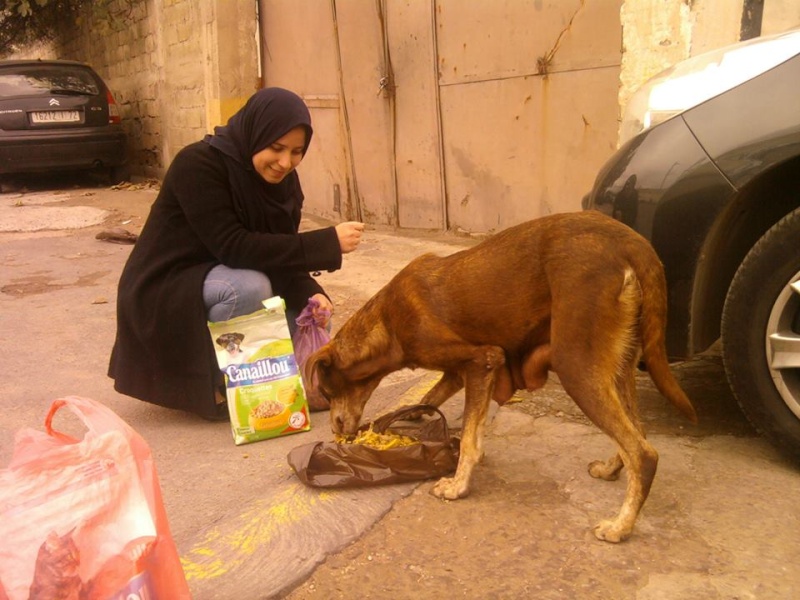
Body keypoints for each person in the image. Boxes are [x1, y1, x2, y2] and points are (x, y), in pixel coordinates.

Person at [108, 87, 364, 421]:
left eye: (297, 152)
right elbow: (234, 246)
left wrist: (311, 292)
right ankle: (223, 386)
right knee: (249, 287)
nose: (285, 162)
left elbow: (276, 253)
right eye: (276, 148)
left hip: (225, 274)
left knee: (311, 314)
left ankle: (273, 386)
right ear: (255, 132)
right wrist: (326, 244)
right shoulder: (198, 165)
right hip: (169, 289)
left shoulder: (284, 182)